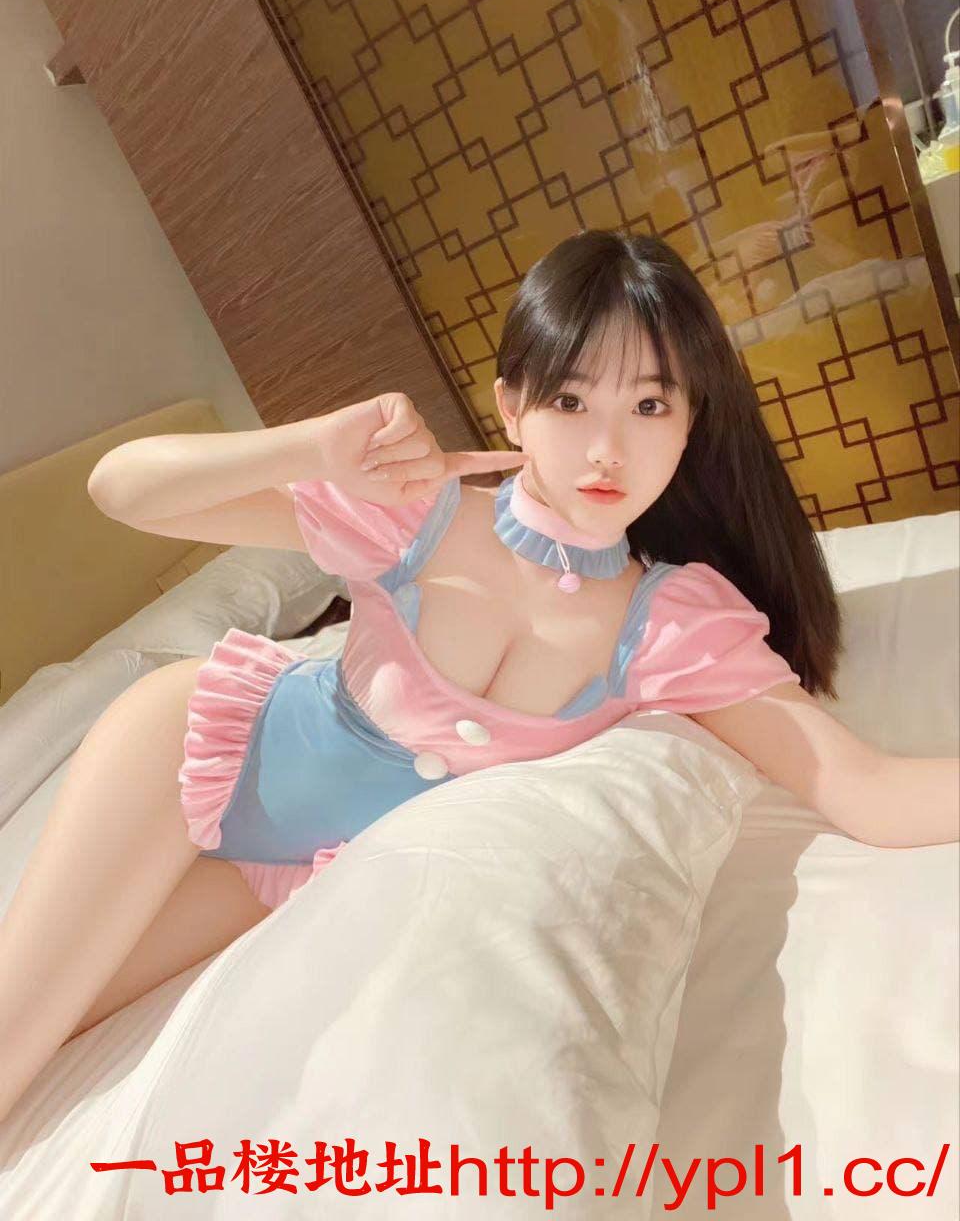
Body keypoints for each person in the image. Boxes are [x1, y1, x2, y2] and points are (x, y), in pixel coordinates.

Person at [0, 229, 956, 1122]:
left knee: (59, 1030)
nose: (607, 449)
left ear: (690, 422)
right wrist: (312, 447)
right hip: (188, 750)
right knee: (14, 1034)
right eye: (570, 402)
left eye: (650, 405)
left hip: (282, 871)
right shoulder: (417, 513)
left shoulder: (671, 623)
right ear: (510, 406)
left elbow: (865, 789)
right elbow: (122, 490)